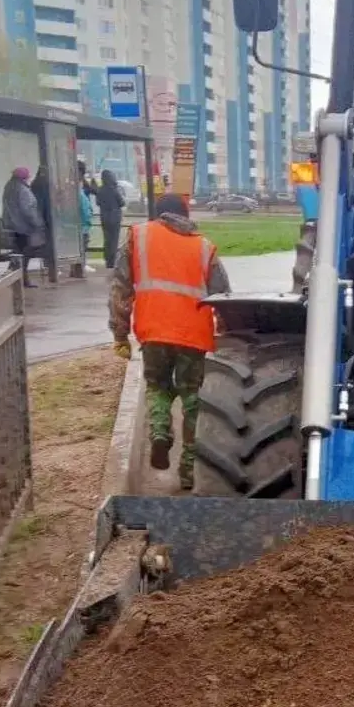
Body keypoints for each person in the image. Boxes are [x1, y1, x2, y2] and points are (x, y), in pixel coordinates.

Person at [108, 194, 230, 491]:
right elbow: (224, 295)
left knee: (157, 387)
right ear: (186, 214)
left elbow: (120, 290)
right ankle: (189, 470)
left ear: (158, 214)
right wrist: (225, 334)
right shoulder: (204, 247)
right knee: (192, 398)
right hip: (194, 336)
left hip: (154, 331)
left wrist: (120, 334)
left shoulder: (138, 237)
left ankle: (160, 432)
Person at [1, 167, 46, 288]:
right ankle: (20, 280)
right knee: (24, 255)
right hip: (23, 227)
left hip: (12, 226)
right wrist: (38, 223)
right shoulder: (23, 190)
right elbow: (28, 210)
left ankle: (14, 278)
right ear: (24, 177)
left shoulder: (9, 188)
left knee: (19, 254)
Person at [96, 169, 126, 269]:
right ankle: (112, 261)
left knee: (107, 239)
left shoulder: (100, 190)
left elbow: (98, 202)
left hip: (104, 218)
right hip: (115, 218)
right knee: (114, 240)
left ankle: (107, 260)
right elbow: (122, 203)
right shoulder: (114, 189)